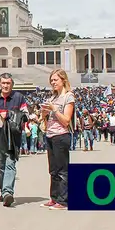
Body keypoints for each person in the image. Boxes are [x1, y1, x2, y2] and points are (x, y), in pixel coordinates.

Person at [0, 73, 28, 207]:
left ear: (12, 84)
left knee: (10, 165)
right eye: (3, 83)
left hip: (13, 139)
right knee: (1, 167)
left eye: (8, 83)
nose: (5, 85)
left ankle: (8, 192)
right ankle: (3, 191)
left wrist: (9, 115)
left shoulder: (19, 98)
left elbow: (26, 115)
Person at [41, 69, 75, 210]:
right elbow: (45, 118)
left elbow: (66, 120)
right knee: (53, 169)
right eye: (52, 80)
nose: (53, 83)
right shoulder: (53, 97)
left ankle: (63, 200)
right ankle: (54, 198)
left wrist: (54, 109)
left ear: (63, 80)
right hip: (50, 134)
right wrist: (44, 112)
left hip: (61, 135)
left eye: (55, 80)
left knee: (62, 170)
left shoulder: (69, 97)